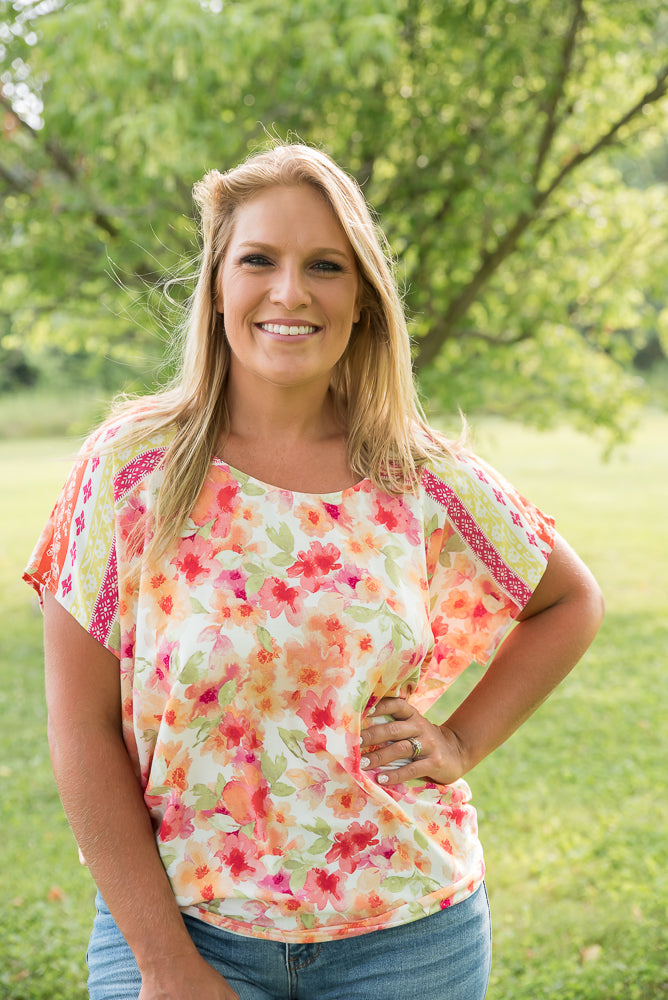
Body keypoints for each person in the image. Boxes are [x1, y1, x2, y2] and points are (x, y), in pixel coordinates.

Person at [24, 143, 604, 1000]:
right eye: (259, 259)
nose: (290, 292)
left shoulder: (420, 473)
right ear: (218, 283)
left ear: (363, 299)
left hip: (408, 935)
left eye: (325, 266)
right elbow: (81, 735)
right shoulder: (129, 470)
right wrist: (165, 965)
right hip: (183, 926)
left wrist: (461, 740)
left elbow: (570, 599)